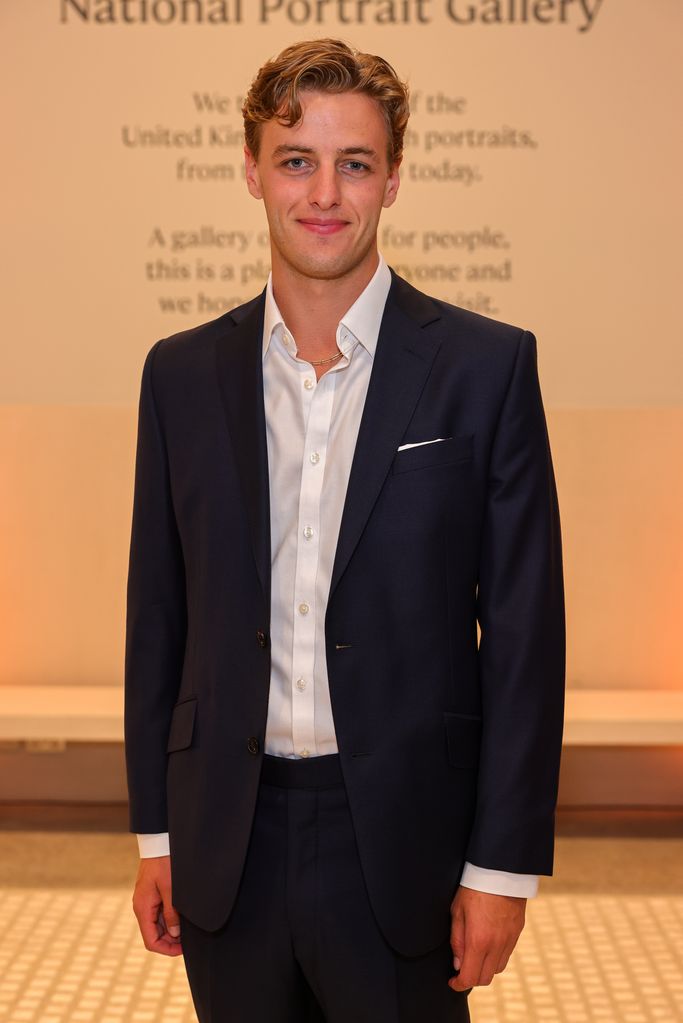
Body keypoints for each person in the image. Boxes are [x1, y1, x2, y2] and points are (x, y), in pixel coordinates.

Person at [124, 37, 565, 1023]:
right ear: (250, 171)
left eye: (353, 163)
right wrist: (156, 837)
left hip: (404, 841)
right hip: (224, 843)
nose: (324, 193)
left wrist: (501, 865)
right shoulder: (180, 376)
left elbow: (525, 642)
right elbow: (159, 618)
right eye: (295, 161)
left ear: (394, 178)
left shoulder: (483, 369)